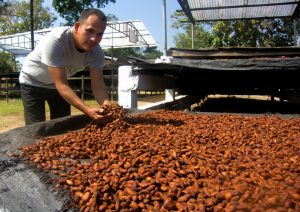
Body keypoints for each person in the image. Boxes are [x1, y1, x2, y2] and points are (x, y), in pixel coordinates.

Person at [19, 8, 112, 125]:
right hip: (32, 82)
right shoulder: (55, 41)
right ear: (77, 27)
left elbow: (98, 84)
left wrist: (107, 105)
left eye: (100, 34)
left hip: (57, 86)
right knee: (36, 129)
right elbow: (62, 84)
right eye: (90, 31)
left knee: (63, 125)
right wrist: (87, 110)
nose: (94, 39)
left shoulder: (96, 52)